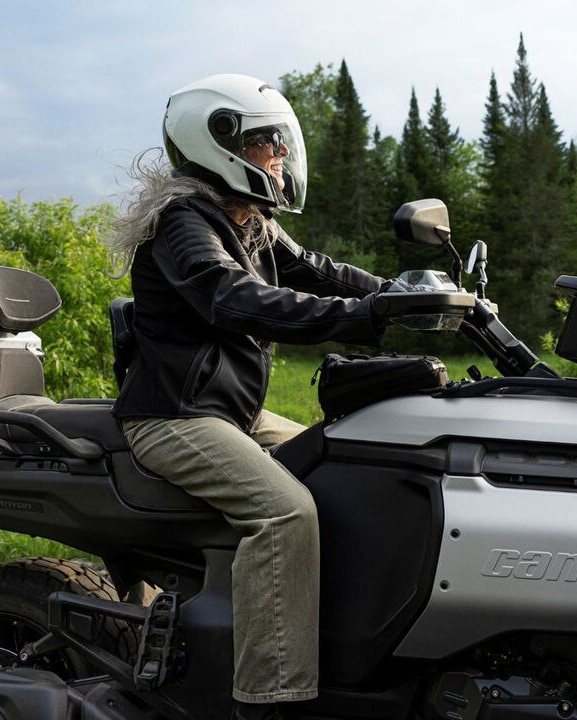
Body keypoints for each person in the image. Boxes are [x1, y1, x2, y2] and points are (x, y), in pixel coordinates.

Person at [107, 74, 388, 720]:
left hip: (230, 412)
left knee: (350, 462)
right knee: (287, 511)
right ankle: (268, 699)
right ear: (219, 144)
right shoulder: (183, 222)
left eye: (280, 145)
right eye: (269, 144)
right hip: (173, 416)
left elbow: (317, 270)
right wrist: (361, 318)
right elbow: (235, 299)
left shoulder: (247, 219)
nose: (280, 156)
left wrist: (403, 293)